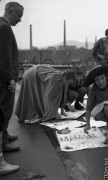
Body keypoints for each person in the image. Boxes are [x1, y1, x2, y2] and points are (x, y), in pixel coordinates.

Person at [0, 1, 24, 175]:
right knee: (4, 112)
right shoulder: (4, 28)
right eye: (19, 15)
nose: (20, 19)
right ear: (9, 11)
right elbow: (5, 58)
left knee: (4, 113)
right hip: (4, 81)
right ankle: (2, 149)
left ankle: (4, 139)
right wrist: (10, 79)